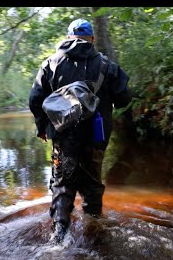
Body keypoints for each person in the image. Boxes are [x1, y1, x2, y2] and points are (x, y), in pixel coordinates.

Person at [29, 18, 132, 243]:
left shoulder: (51, 63)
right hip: (96, 136)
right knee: (92, 183)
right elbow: (124, 98)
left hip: (62, 136)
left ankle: (59, 233)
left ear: (68, 38)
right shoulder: (107, 65)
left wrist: (41, 127)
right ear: (92, 39)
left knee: (62, 183)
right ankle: (95, 231)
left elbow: (35, 99)